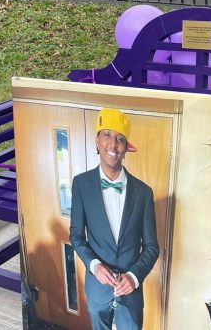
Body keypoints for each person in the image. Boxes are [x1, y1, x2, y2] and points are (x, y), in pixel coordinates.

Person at [70, 108, 160, 330]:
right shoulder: (81, 184)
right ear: (97, 141)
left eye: (120, 139)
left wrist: (134, 276)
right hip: (97, 288)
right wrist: (95, 265)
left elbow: (151, 247)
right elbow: (76, 236)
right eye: (107, 135)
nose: (113, 144)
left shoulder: (144, 193)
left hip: (131, 291)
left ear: (126, 148)